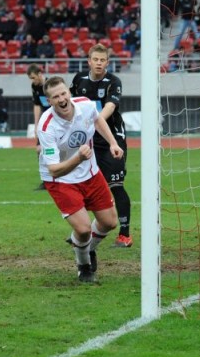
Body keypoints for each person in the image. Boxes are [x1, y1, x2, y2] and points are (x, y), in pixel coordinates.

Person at [37, 76, 121, 282]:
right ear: (50, 101)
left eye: (64, 93)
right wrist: (78, 158)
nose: (61, 99)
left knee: (110, 223)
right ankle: (84, 267)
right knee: (83, 229)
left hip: (90, 173)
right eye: (55, 97)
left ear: (69, 93)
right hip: (61, 180)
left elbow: (97, 119)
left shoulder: (85, 105)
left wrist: (112, 143)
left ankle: (85, 248)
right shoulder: (46, 126)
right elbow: (55, 170)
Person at [70, 44, 134, 247]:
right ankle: (85, 231)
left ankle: (124, 234)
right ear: (89, 61)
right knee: (84, 184)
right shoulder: (79, 79)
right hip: (88, 139)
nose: (99, 63)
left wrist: (91, 122)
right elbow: (72, 105)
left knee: (116, 185)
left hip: (111, 138)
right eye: (95, 59)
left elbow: (110, 106)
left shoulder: (113, 82)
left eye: (102, 60)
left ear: (107, 62)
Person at [27, 63, 49, 190]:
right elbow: (36, 105)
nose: (32, 81)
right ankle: (45, 181)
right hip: (44, 122)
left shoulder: (51, 84)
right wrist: (36, 124)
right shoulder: (34, 87)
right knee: (39, 150)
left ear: (40, 74)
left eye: (33, 77)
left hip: (56, 122)